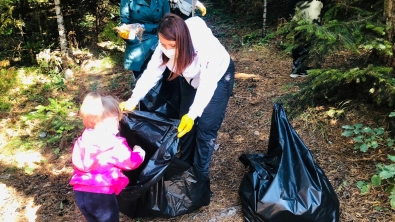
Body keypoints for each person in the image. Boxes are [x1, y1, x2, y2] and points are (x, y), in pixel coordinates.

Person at [121, 13, 235, 179]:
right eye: (162, 44)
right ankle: (185, 164)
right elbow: (151, 74)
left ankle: (200, 175)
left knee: (205, 127)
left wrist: (193, 113)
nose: (166, 49)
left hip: (218, 78)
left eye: (171, 45)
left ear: (182, 41)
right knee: (184, 123)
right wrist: (133, 99)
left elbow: (207, 83)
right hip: (189, 78)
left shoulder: (203, 47)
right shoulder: (163, 48)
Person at [69, 92, 145, 222]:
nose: (118, 124)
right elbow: (130, 162)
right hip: (101, 195)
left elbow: (78, 161)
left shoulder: (83, 140)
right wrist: (139, 153)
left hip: (80, 192)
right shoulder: (113, 143)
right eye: (117, 120)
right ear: (111, 121)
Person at [119, 0, 170, 79]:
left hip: (160, 41)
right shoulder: (127, 1)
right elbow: (124, 24)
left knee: (162, 82)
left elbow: (168, 22)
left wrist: (145, 27)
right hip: (138, 44)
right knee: (142, 81)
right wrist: (132, 39)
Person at [285, 0, 323, 78]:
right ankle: (297, 68)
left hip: (312, 16)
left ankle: (300, 66)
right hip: (305, 18)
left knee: (306, 43)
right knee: (301, 42)